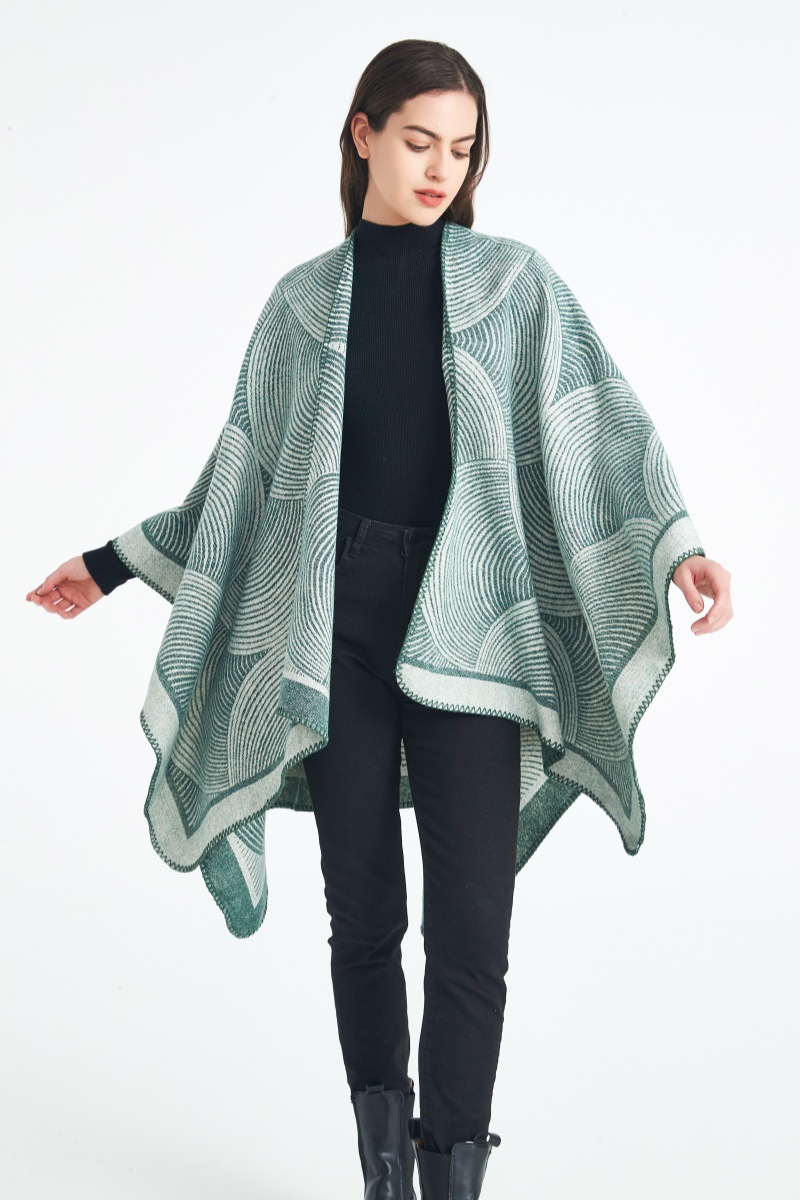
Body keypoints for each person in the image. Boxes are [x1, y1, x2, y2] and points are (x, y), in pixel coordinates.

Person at [24, 39, 733, 1200]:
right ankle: (384, 1173)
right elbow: (240, 486)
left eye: (461, 148)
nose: (440, 168)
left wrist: (678, 544)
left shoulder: (514, 285)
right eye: (417, 141)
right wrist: (107, 566)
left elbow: (599, 424)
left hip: (474, 639)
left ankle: (452, 1172)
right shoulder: (300, 305)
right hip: (332, 634)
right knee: (362, 917)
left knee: (472, 930)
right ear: (361, 134)